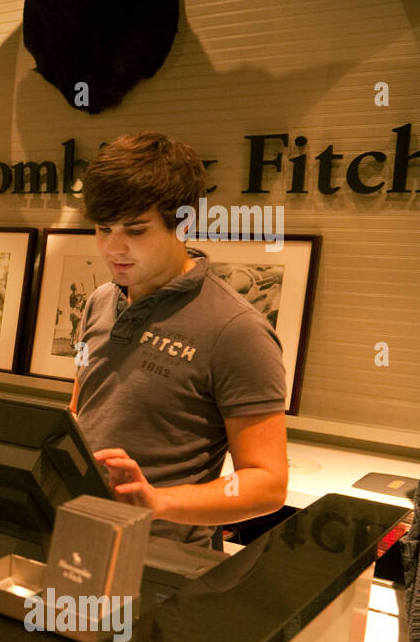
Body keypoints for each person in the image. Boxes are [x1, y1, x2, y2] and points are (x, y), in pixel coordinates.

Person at [70, 132, 288, 549]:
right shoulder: (99, 301)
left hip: (167, 561)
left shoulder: (237, 330)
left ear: (184, 222)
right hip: (81, 537)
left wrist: (158, 502)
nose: (113, 248)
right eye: (103, 228)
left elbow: (268, 483)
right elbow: (81, 410)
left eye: (135, 230)